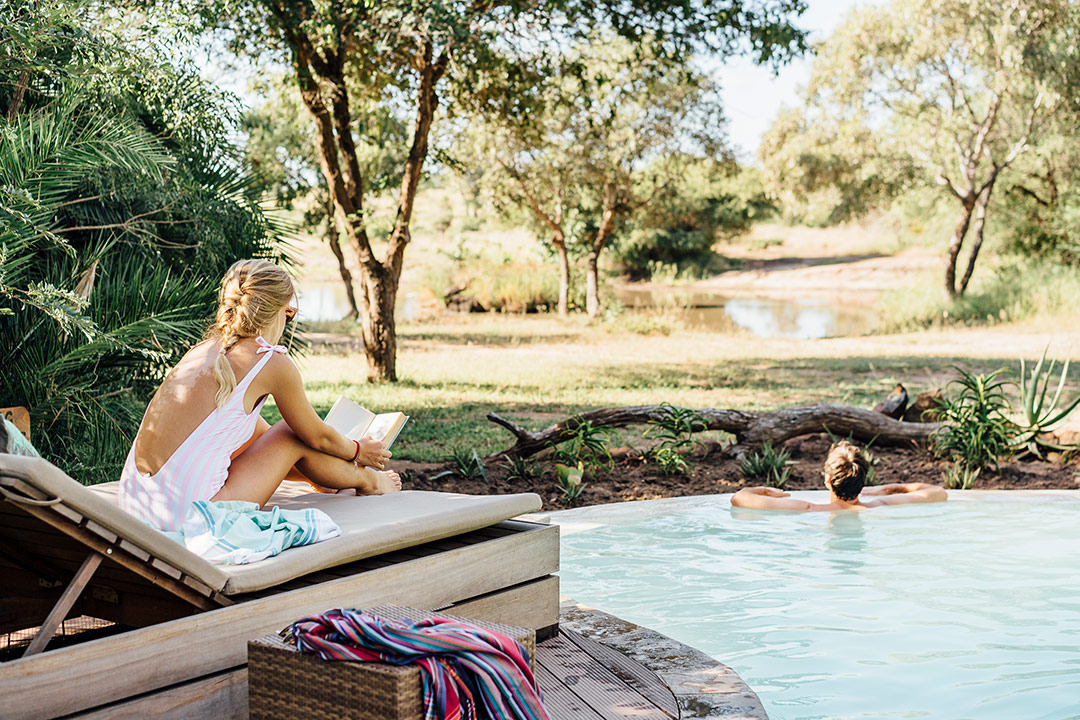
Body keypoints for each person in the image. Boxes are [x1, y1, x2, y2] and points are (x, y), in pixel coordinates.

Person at [119, 259, 400, 532]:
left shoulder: (202, 352)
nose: (287, 321)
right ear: (277, 310)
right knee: (291, 433)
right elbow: (316, 437)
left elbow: (254, 435)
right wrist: (360, 451)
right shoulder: (271, 362)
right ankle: (371, 483)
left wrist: (316, 473)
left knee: (272, 434)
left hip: (138, 504)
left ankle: (330, 480)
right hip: (190, 517)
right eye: (289, 313)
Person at [731, 440, 947, 512]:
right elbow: (937, 492)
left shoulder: (808, 509)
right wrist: (884, 489)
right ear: (863, 480)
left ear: (827, 480)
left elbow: (739, 498)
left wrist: (770, 491)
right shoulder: (880, 504)